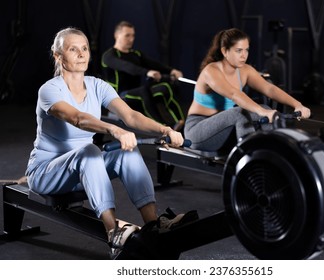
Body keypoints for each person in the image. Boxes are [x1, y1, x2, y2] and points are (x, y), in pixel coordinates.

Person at [25, 27, 197, 260]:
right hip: (46, 172)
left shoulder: (97, 86)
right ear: (58, 56)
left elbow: (131, 116)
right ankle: (113, 233)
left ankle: (155, 225)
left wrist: (164, 129)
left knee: (127, 153)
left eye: (84, 48)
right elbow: (77, 118)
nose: (81, 54)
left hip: (85, 169)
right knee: (89, 150)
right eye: (73, 49)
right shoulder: (49, 90)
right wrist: (114, 129)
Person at [184, 28, 311, 152]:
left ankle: (270, 154)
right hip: (197, 131)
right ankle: (249, 158)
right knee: (241, 113)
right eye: (238, 51)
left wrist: (298, 105)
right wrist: (261, 112)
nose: (243, 55)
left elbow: (270, 89)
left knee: (267, 109)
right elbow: (234, 94)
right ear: (224, 51)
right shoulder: (211, 71)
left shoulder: (245, 70)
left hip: (224, 129)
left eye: (246, 50)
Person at [101, 21, 185, 131]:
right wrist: (147, 72)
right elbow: (127, 67)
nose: (131, 39)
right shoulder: (109, 56)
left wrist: (172, 71)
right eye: (127, 35)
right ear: (116, 35)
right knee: (143, 91)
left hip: (137, 92)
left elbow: (154, 64)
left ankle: (180, 122)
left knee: (165, 88)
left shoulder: (136, 54)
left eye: (133, 35)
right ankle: (162, 127)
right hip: (119, 97)